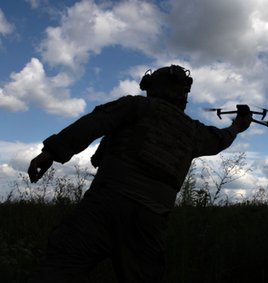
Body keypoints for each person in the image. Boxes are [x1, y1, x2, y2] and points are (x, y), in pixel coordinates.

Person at [27, 64, 252, 283]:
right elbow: (220, 139)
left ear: (153, 87)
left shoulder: (136, 106)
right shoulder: (193, 131)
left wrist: (51, 152)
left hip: (103, 207)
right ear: (183, 94)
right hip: (149, 222)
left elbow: (94, 122)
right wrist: (237, 127)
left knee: (56, 270)